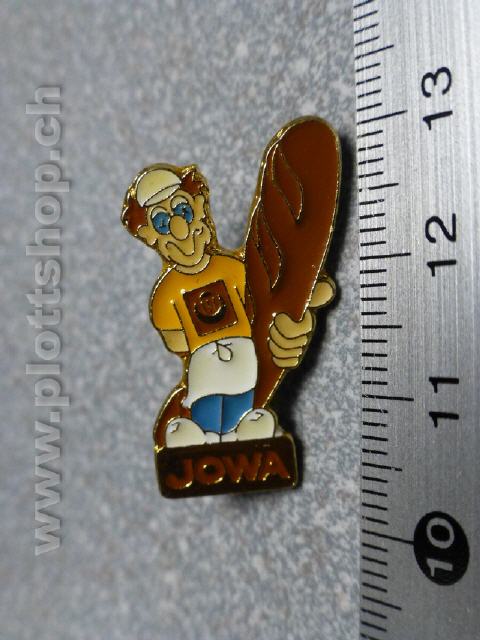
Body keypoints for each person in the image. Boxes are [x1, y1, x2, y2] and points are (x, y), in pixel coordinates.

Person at [122, 164, 334, 446]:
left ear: (199, 206)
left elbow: (262, 300)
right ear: (149, 234)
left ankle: (238, 432)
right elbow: (177, 342)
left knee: (240, 397)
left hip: (243, 355)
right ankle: (206, 436)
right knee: (206, 401)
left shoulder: (232, 269)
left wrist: (301, 298)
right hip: (204, 364)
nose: (178, 229)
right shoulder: (166, 295)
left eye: (183, 211)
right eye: (163, 223)